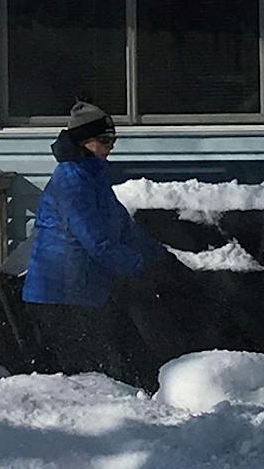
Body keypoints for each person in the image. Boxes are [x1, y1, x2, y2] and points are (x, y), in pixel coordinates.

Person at [23, 100, 200, 388]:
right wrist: (142, 268)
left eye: (113, 139)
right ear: (84, 142)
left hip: (87, 291)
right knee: (91, 381)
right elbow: (98, 242)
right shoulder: (71, 180)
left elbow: (124, 229)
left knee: (117, 369)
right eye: (105, 140)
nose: (111, 145)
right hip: (62, 295)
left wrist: (163, 259)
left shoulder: (92, 176)